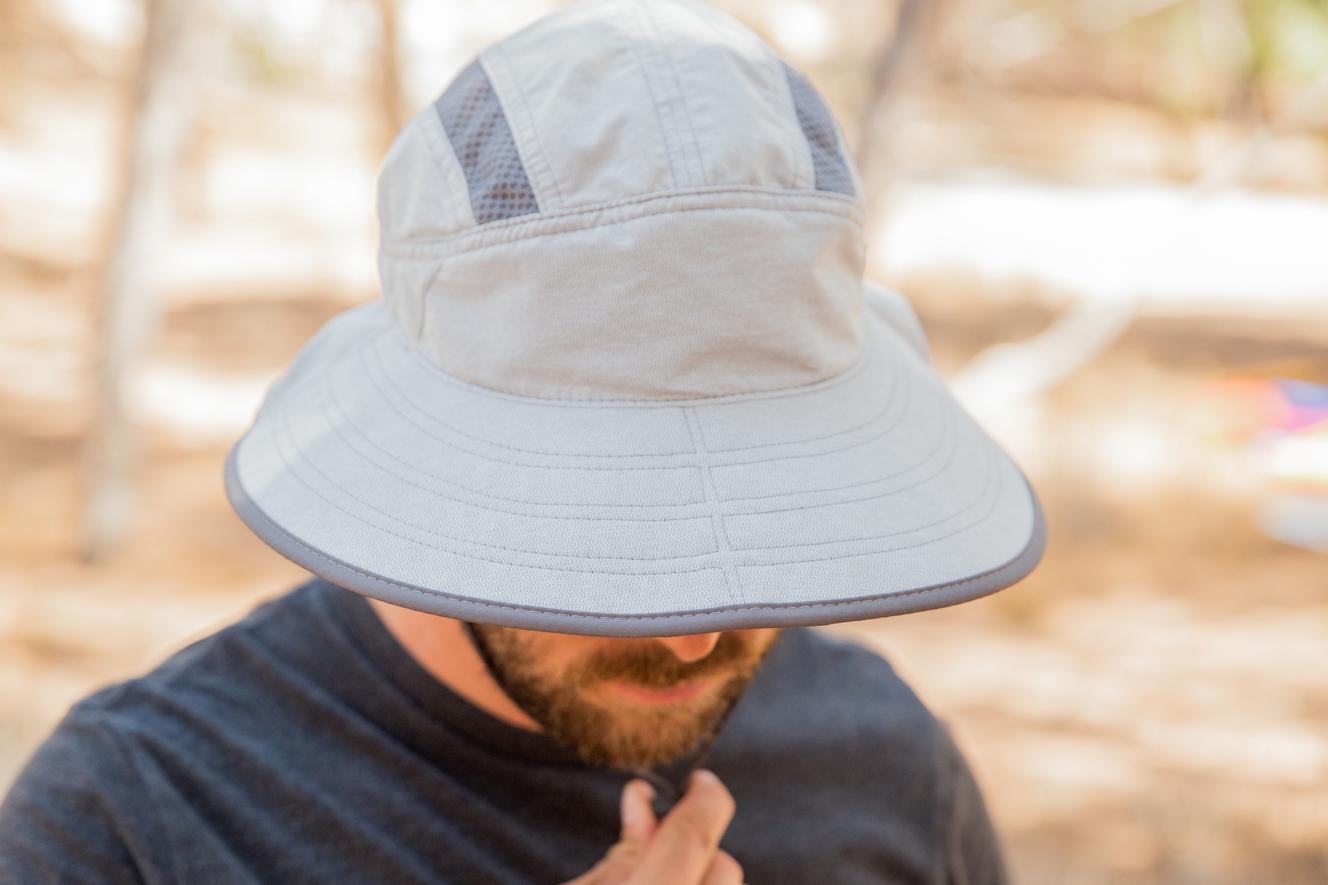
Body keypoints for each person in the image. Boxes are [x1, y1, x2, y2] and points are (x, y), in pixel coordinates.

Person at [0, 1, 1045, 882]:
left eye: (759, 510)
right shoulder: (138, 816)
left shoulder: (884, 756)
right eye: (620, 538)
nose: (697, 639)